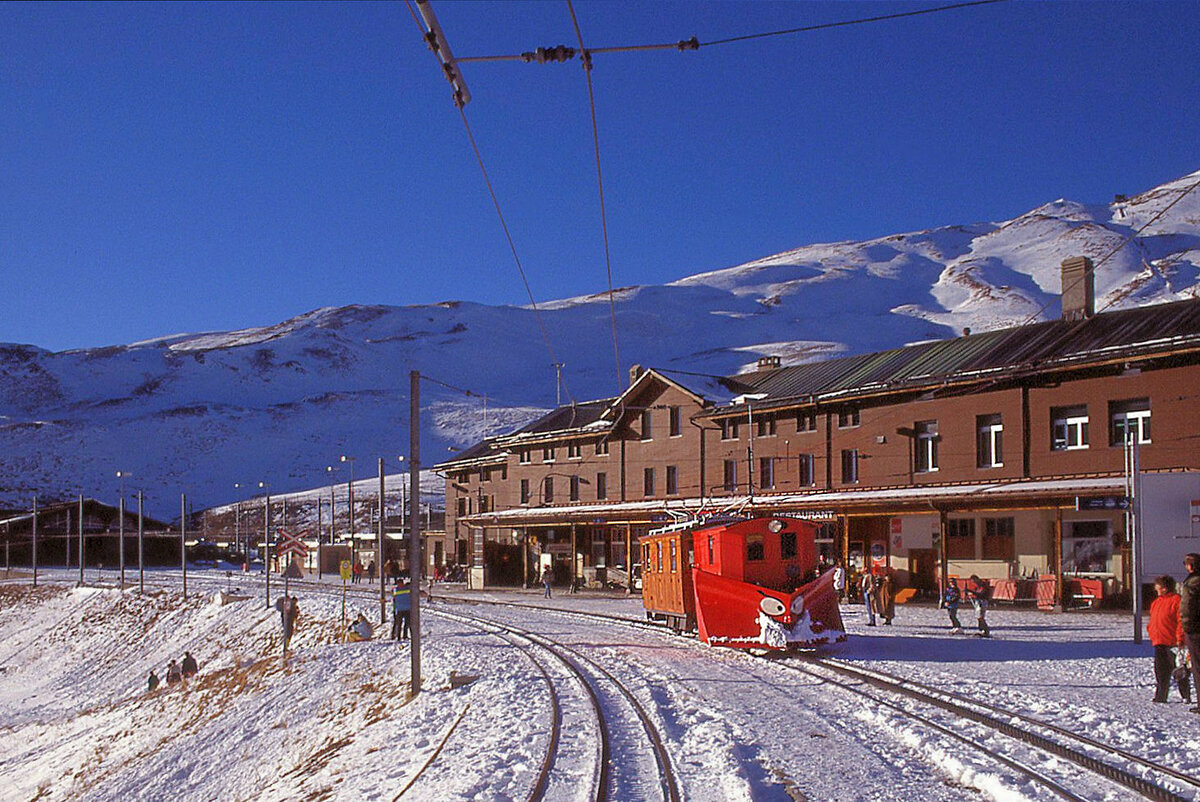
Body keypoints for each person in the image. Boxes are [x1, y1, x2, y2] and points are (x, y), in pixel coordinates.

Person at [1148, 575, 1190, 703]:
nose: (1156, 588)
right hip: (1159, 641)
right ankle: (1161, 696)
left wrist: (1180, 638)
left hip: (1173, 642)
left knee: (1178, 671)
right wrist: (1151, 631)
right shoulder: (1157, 602)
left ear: (1164, 588)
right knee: (1160, 671)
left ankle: (1185, 695)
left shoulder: (1177, 600)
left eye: (1158, 586)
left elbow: (1180, 621)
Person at [1180, 553, 1200, 713]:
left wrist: (1186, 626)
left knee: (1197, 665)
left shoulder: (1191, 584)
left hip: (1195, 629)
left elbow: (1187, 607)